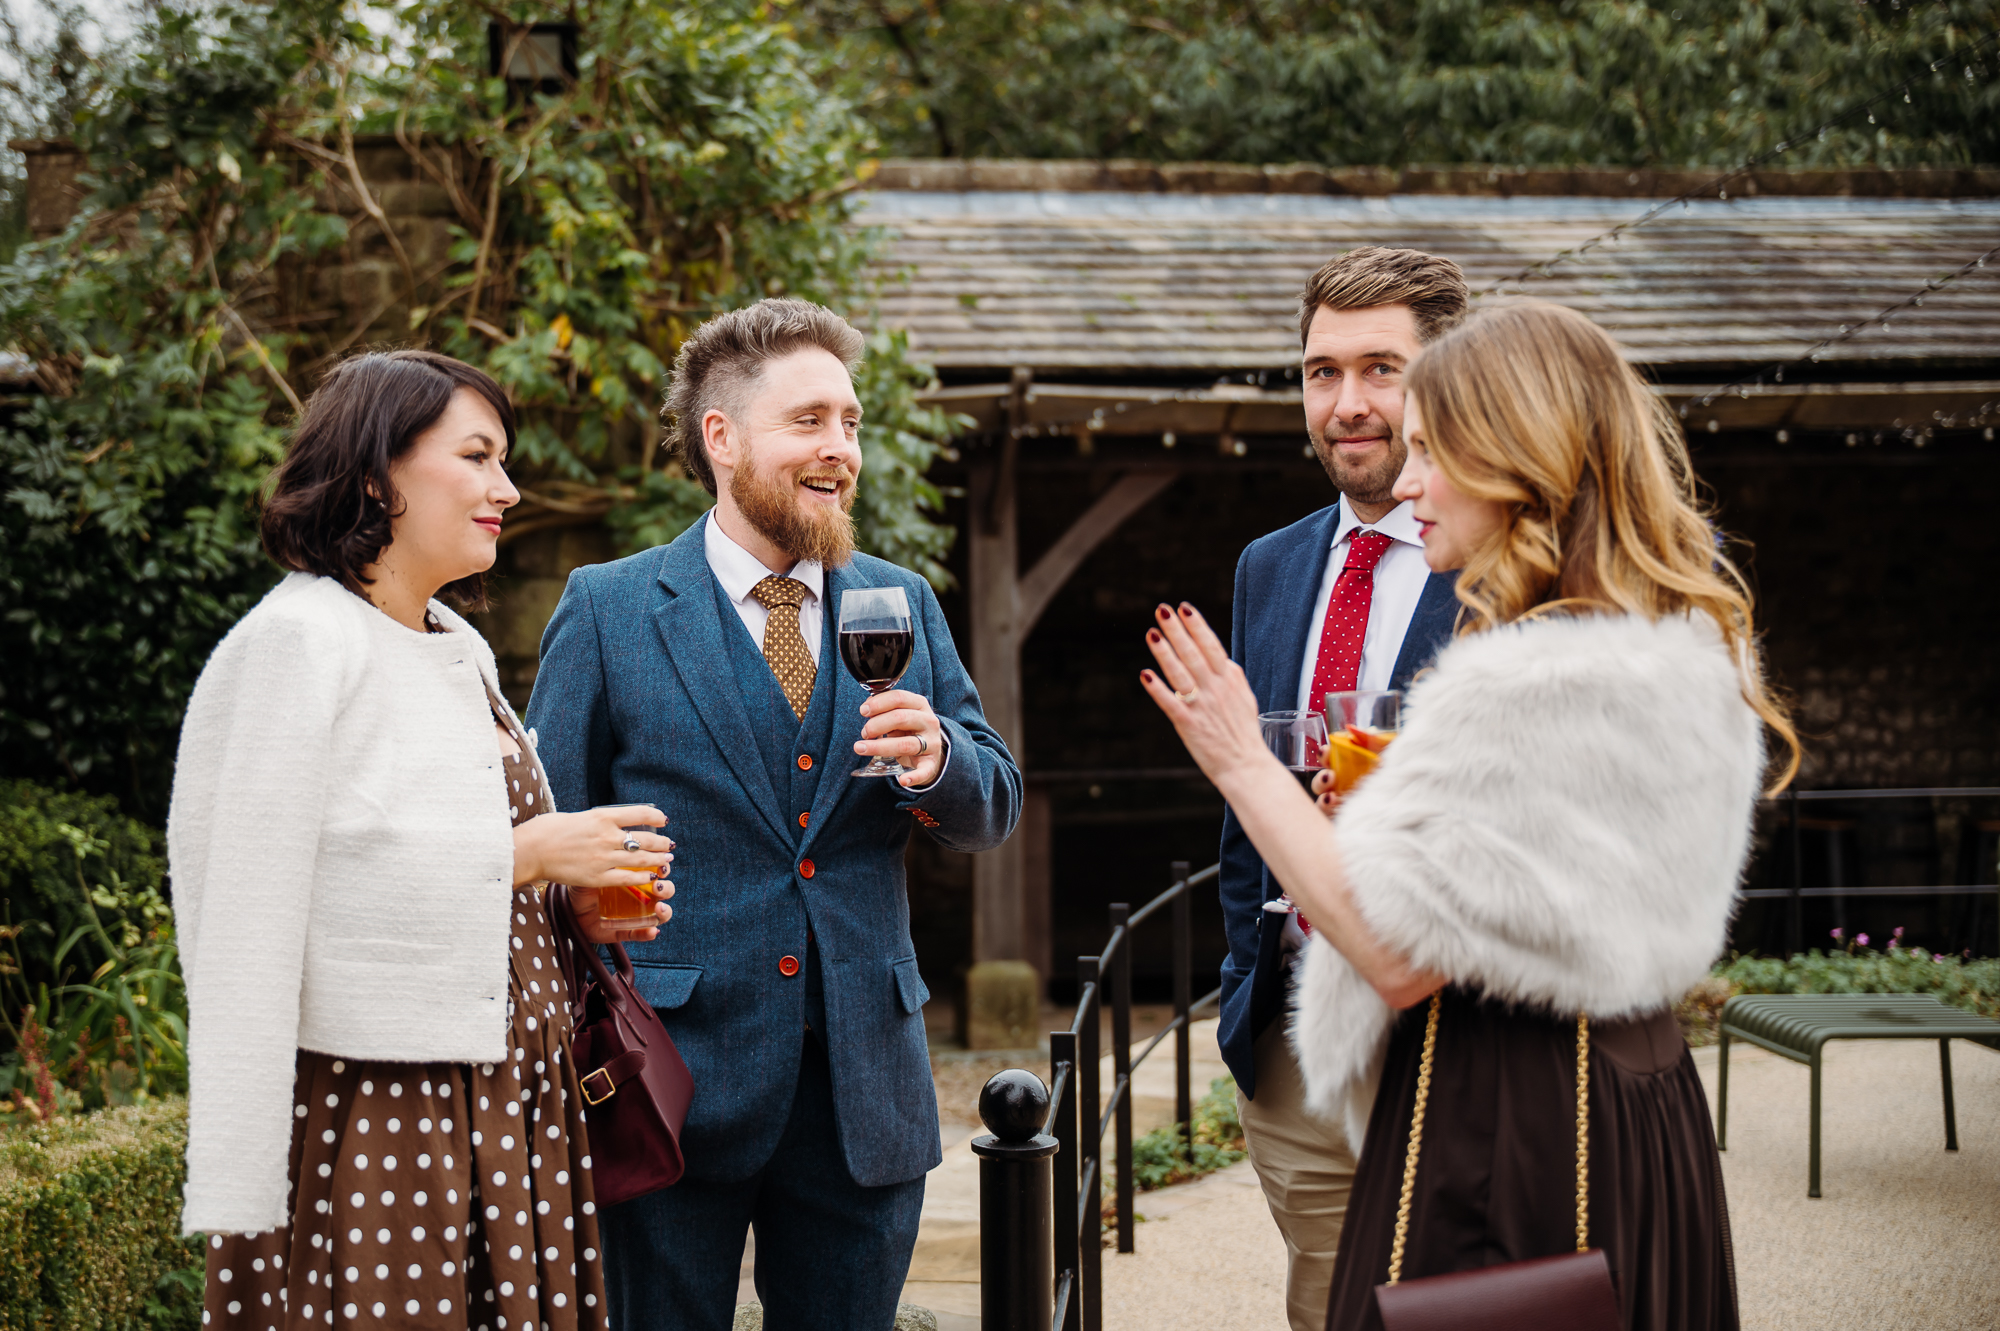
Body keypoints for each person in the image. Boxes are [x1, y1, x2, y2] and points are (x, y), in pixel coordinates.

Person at [1141, 301, 1795, 1331]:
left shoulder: (1528, 681)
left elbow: (1398, 957)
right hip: (1635, 1100)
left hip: (1512, 1126)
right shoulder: (1672, 640)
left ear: (1511, 460)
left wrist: (1237, 755)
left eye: (1428, 451)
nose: (1403, 483)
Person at [524, 298, 1022, 1331]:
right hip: (669, 1082)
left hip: (862, 1090)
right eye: (809, 421)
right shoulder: (610, 609)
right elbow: (544, 839)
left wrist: (937, 762)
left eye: (848, 422)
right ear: (723, 436)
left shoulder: (899, 600)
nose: (839, 448)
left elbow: (992, 804)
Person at [171, 349, 677, 1331]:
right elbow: (249, 895)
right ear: (376, 474)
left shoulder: (453, 640)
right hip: (389, 1112)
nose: (508, 488)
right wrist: (524, 856)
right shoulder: (297, 643)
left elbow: (434, 855)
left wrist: (562, 897)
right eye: (479, 456)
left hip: (514, 1093)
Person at [1217, 246, 1469, 1331]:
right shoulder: (1266, 565)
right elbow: (1242, 806)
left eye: (1381, 368)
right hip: (1287, 1053)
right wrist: (1244, 989)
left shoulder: (1509, 557)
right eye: (1322, 371)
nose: (1347, 403)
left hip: (1454, 1048)